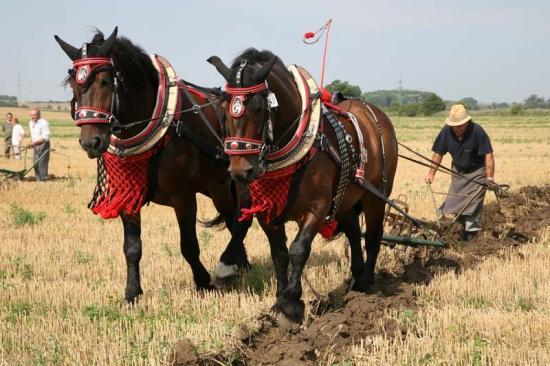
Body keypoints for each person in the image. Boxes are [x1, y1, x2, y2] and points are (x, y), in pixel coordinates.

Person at [425, 104, 496, 241]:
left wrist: (490, 177)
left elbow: (488, 155)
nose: (456, 128)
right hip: (458, 171)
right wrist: (431, 173)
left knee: (473, 202)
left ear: (467, 122)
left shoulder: (477, 131)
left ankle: (472, 234)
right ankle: (456, 230)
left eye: (459, 125)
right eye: (454, 125)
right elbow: (438, 153)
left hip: (477, 171)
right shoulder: (446, 131)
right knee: (453, 201)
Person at [28, 108, 51, 181]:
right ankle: (38, 179)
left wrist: (34, 143)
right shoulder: (30, 123)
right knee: (35, 163)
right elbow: (33, 135)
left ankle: (43, 180)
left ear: (39, 115)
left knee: (42, 163)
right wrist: (31, 143)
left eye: (34, 115)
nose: (32, 117)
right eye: (31, 115)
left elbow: (45, 137)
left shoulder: (44, 123)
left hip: (43, 144)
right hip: (35, 145)